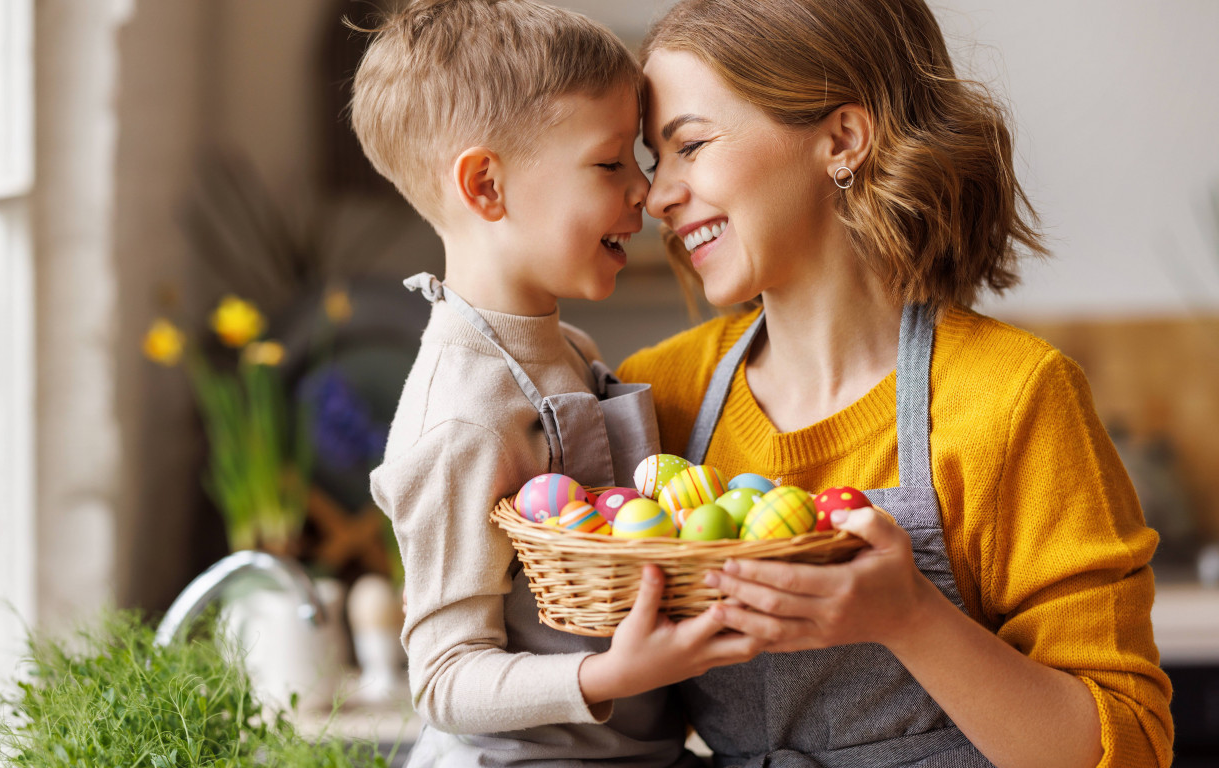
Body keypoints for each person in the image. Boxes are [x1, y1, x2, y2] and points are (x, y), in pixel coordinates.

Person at [618, 1, 1173, 766]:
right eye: (655, 160)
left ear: (842, 139)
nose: (657, 196)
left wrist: (912, 616)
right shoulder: (657, 395)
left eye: (691, 146)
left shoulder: (1010, 398)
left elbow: (1130, 746)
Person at [354, 2, 761, 766]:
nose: (647, 190)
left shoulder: (567, 348)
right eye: (611, 163)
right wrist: (612, 673)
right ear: (486, 188)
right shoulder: (465, 413)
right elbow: (443, 678)